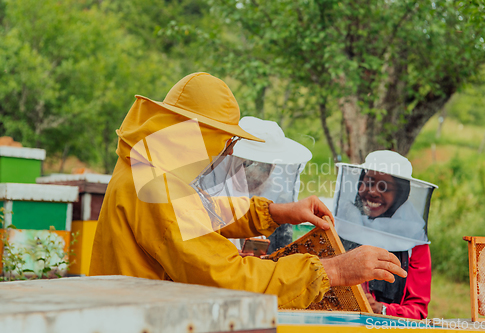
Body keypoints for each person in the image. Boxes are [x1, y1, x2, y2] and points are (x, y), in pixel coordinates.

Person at [89, 72, 406, 309]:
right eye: (223, 140)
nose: (224, 151)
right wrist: (333, 269)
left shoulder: (144, 164)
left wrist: (275, 212)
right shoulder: (158, 186)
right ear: (201, 134)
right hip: (141, 318)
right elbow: (229, 276)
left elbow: (199, 213)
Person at [333, 150, 437, 319]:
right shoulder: (340, 224)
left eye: (384, 187)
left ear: (400, 194)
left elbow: (418, 309)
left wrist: (382, 309)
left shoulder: (413, 239)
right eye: (368, 182)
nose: (373, 192)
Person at [229, 116, 312, 253]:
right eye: (250, 164)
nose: (257, 174)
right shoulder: (216, 195)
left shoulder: (273, 192)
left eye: (267, 166)